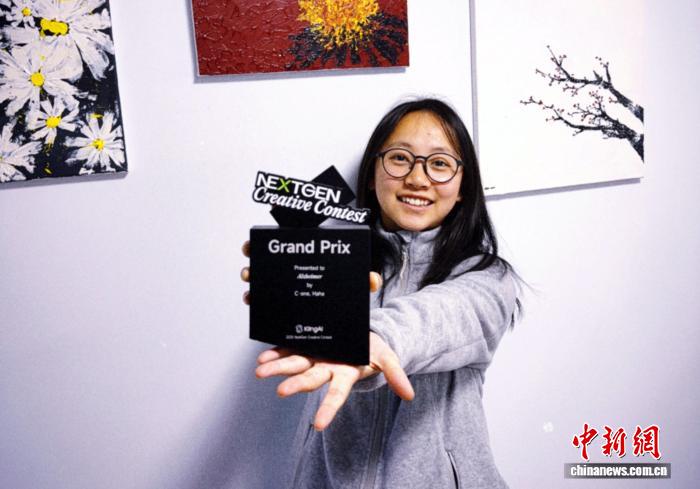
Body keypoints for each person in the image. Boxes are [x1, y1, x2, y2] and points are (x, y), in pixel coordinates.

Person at [242, 98, 520, 488]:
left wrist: (372, 338)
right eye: (400, 158)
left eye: (440, 163)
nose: (418, 179)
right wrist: (285, 286)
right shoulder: (336, 268)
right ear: (372, 176)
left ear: (463, 187)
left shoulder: (487, 278)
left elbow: (442, 316)